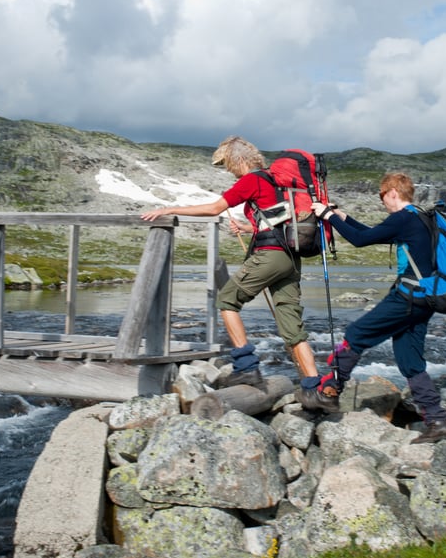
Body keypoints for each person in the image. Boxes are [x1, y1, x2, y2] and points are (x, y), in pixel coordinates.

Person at [140, 136, 338, 413]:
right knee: (292, 329)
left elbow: (214, 208)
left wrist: (169, 209)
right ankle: (314, 390)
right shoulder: (279, 182)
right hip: (291, 259)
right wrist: (247, 229)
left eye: (229, 165)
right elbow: (279, 219)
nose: (230, 172)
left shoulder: (252, 179)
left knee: (227, 301)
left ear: (240, 160)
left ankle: (246, 367)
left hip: (270, 256)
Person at [310, 172, 446, 444]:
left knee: (356, 334)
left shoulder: (402, 218)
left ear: (392, 193)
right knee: (410, 360)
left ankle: (329, 391)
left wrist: (327, 216)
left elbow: (359, 240)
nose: (382, 202)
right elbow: (371, 234)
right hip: (427, 298)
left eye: (382, 196)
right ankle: (438, 422)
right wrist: (342, 217)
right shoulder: (420, 217)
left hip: (408, 296)